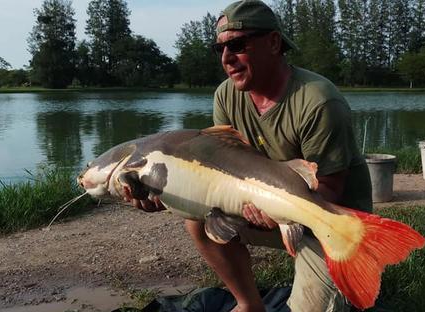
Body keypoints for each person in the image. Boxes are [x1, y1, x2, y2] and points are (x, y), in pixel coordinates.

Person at [126, 1, 372, 311]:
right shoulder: (226, 95)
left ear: (273, 43)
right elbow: (216, 173)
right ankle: (249, 303)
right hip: (268, 208)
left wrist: (275, 213)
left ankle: (358, 259)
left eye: (237, 45)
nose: (227, 58)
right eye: (220, 50)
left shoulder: (319, 101)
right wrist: (165, 195)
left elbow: (329, 189)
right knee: (197, 220)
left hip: (332, 221)